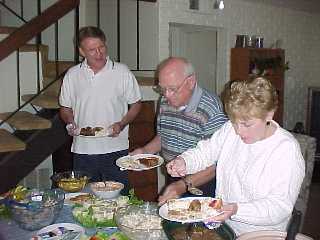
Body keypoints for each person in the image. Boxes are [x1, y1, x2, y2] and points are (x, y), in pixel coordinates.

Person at [166, 77, 305, 236]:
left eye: (246, 124)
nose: (238, 131)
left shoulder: (285, 149)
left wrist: (236, 209)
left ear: (269, 114)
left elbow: (279, 207)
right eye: (234, 122)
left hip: (262, 234)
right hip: (225, 226)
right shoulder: (230, 130)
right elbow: (207, 150)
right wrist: (185, 161)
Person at [59, 26, 142, 193]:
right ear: (82, 51)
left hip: (116, 149)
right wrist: (69, 123)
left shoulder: (122, 71)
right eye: (92, 50)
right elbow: (65, 108)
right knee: (84, 199)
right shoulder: (72, 74)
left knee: (120, 198)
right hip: (83, 151)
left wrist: (121, 123)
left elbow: (136, 104)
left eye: (101, 47)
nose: (99, 53)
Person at [131, 57, 227, 196]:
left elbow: (219, 162)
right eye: (162, 89)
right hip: (174, 175)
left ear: (191, 82)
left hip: (202, 182)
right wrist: (145, 151)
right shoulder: (164, 100)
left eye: (172, 89)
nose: (167, 95)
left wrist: (184, 184)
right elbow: (163, 137)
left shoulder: (211, 108)